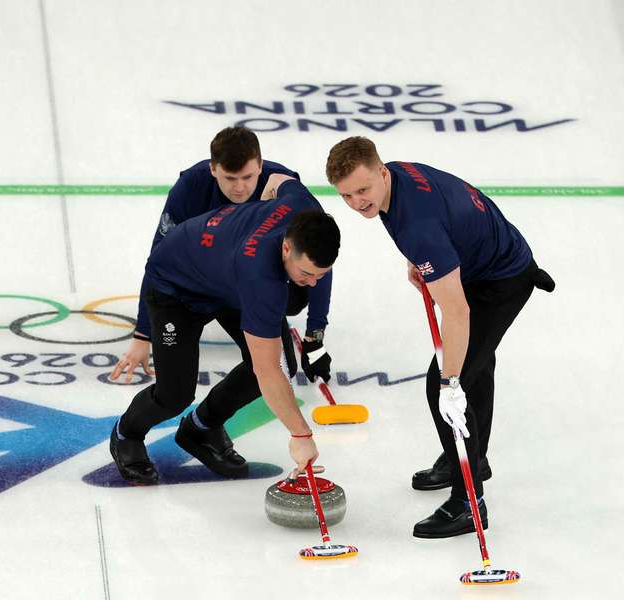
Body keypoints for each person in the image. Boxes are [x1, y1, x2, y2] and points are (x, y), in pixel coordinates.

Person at [326, 136, 554, 538]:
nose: (357, 202)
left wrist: (450, 383)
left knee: (447, 385)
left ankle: (469, 503)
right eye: (346, 195)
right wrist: (423, 262)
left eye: (362, 190)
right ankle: (471, 460)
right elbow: (434, 223)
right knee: (476, 367)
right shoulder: (395, 181)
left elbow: (458, 312)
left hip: (500, 282)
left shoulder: (420, 227)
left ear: (381, 172)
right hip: (480, 261)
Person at [109, 174, 341, 485]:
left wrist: (315, 332)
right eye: (306, 273)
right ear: (286, 248)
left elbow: (277, 179)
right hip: (176, 286)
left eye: (320, 274)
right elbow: (267, 369)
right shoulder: (260, 275)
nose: (312, 282)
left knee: (281, 360)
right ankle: (126, 433)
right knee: (175, 394)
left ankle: (201, 428)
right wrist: (301, 435)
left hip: (226, 277)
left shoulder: (305, 207)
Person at [110, 127, 333, 389]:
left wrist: (314, 337)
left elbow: (317, 255)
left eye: (248, 177)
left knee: (297, 293)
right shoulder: (190, 188)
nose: (240, 188)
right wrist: (143, 334)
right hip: (201, 281)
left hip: (247, 279)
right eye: (230, 178)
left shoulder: (283, 186)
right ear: (213, 169)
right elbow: (159, 257)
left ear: (261, 166)